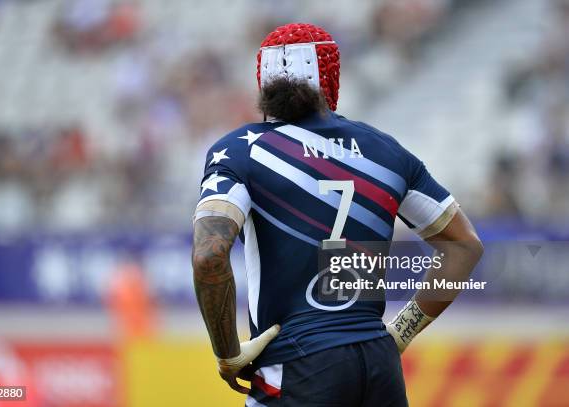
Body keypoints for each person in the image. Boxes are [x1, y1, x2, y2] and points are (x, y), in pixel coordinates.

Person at [192, 23, 483, 407]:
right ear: (331, 76)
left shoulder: (240, 152)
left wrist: (227, 352)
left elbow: (209, 255)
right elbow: (463, 247)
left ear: (262, 81)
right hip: (378, 365)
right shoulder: (385, 150)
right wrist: (401, 331)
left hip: (296, 364)